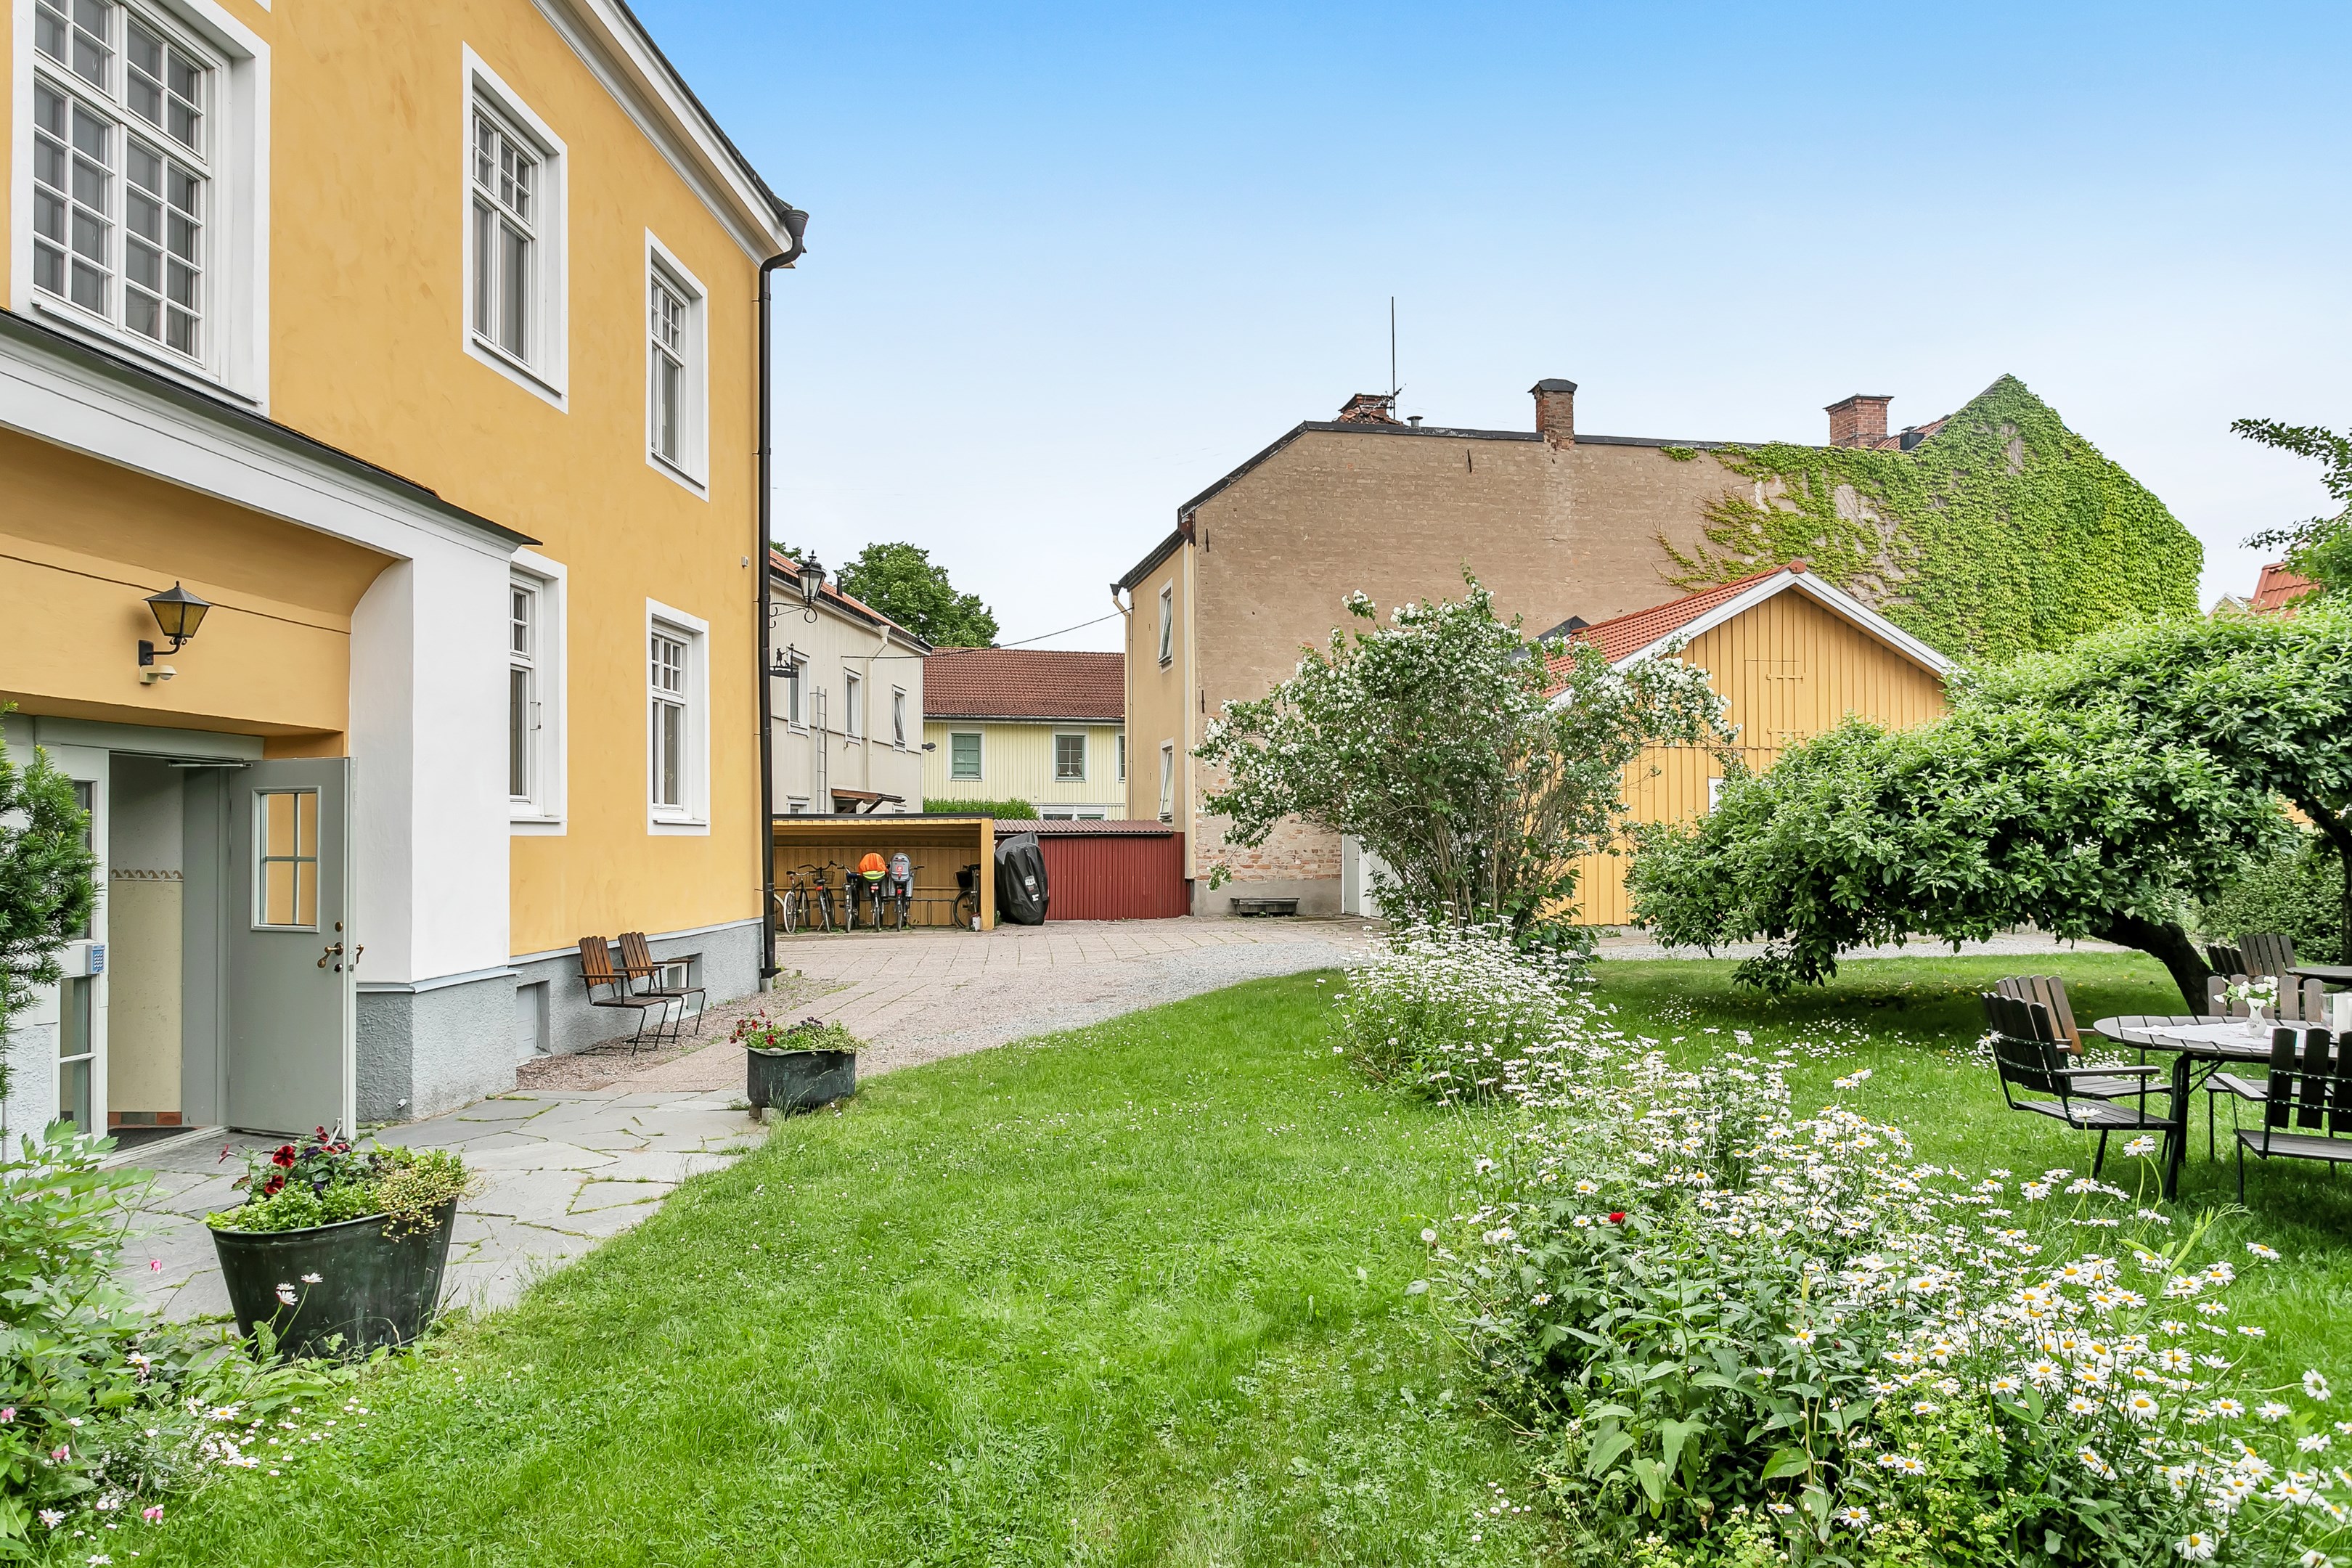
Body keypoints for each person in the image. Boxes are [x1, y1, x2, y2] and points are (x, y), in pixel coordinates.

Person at [855, 851, 888, 928]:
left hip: (868, 877)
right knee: (884, 879)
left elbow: (860, 870)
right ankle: (883, 894)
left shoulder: (865, 859)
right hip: (879, 876)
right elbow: (885, 870)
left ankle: (867, 894)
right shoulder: (879, 859)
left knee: (865, 880)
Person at [886, 852, 915, 927]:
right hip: (905, 879)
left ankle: (893, 895)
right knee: (910, 879)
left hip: (894, 879)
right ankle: (904, 912)